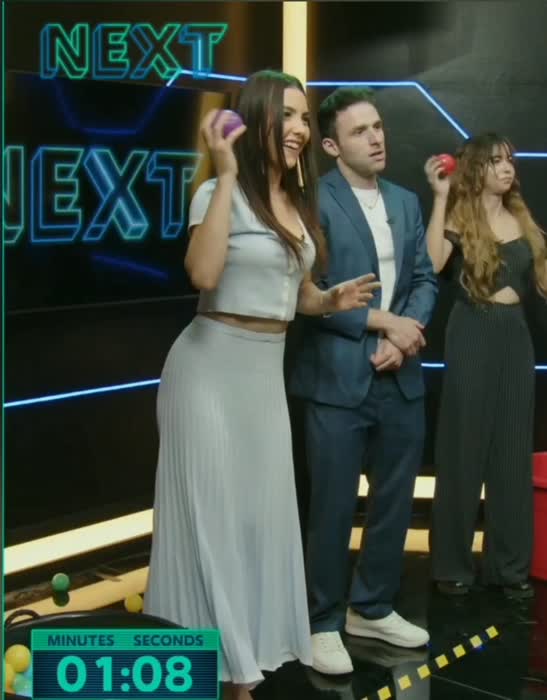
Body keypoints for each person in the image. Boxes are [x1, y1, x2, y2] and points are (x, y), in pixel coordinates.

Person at [144, 71, 380, 700]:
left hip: (263, 378)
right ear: (255, 122)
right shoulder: (217, 192)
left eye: (305, 117)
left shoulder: (296, 203)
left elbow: (290, 294)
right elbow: (204, 274)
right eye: (288, 115)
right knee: (212, 524)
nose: (299, 128)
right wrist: (224, 174)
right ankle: (232, 676)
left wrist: (328, 299)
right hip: (208, 371)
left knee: (255, 523)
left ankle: (233, 659)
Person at [288, 87, 437, 676]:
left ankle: (371, 607)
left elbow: (424, 279)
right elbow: (305, 293)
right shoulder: (311, 201)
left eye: (378, 127)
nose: (376, 138)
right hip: (335, 378)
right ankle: (322, 621)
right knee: (330, 505)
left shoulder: (405, 200)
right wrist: (379, 324)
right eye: (359, 131)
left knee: (395, 500)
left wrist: (404, 335)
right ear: (330, 146)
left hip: (401, 375)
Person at [425, 132, 547, 599]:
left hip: (515, 335)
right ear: (477, 168)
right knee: (463, 446)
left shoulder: (522, 219)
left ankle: (509, 567)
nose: (507, 167)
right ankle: (452, 565)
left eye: (510, 159)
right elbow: (434, 263)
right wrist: (440, 199)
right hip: (473, 328)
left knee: (512, 451)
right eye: (496, 160)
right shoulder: (460, 215)